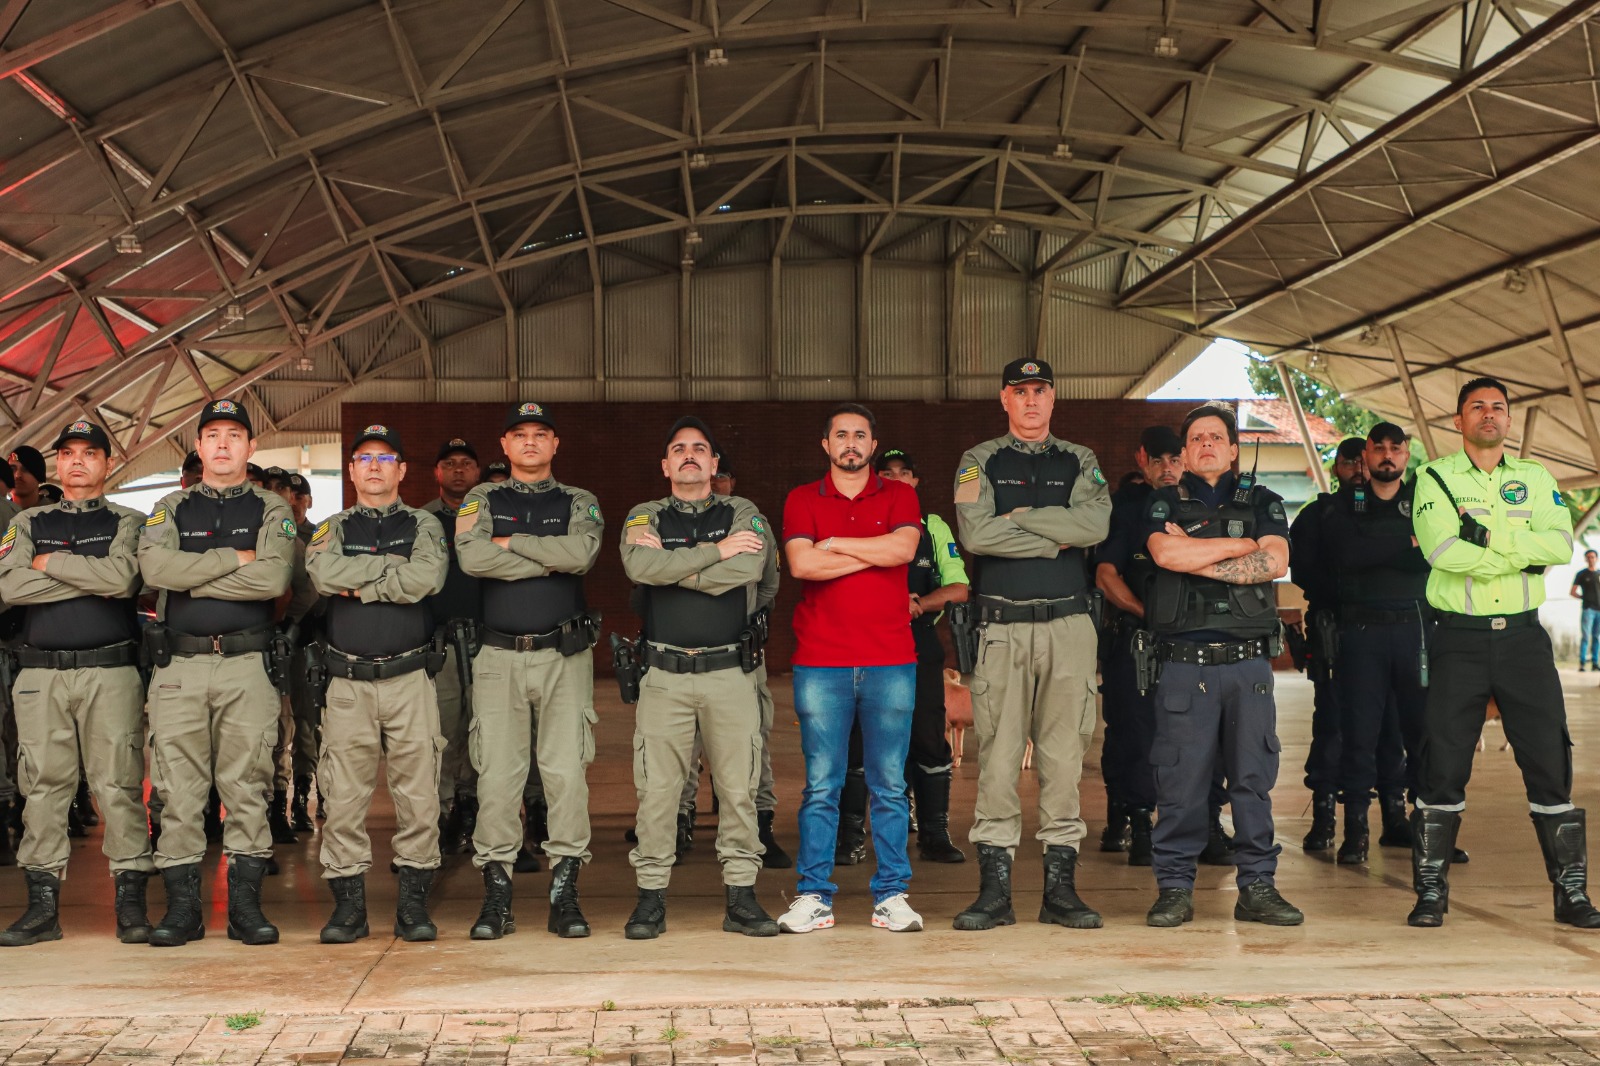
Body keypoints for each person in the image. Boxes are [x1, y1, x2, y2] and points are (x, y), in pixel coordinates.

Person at [1407, 377, 1599, 929]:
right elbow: (1442, 552)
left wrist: (1487, 544)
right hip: (1459, 638)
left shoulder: (1537, 479)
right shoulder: (1434, 479)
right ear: (1458, 419)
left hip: (1522, 639)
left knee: (1549, 761)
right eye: (1477, 407)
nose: (1489, 415)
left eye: (1498, 407)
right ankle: (1429, 893)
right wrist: (1519, 552)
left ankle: (1571, 896)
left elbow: (1559, 546)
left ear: (1509, 420)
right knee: (1442, 763)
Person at [951, 359, 1110, 932]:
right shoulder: (979, 461)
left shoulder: (1080, 460)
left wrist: (1020, 518)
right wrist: (1053, 536)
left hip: (1069, 628)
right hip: (1003, 628)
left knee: (1064, 758)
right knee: (996, 758)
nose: (1032, 401)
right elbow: (977, 533)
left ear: (1053, 397)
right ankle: (994, 893)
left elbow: (1094, 528)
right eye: (1021, 392)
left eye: (1041, 390)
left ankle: (1060, 892)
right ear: (1005, 399)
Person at [136, 398, 295, 947]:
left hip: (247, 665)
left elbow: (274, 581)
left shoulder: (273, 510)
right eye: (212, 435)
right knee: (178, 792)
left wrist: (192, 576)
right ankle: (183, 911)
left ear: (251, 447)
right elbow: (156, 569)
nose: (223, 443)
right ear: (199, 447)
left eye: (234, 434)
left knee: (247, 786)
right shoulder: (168, 507)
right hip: (179, 665)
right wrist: (238, 559)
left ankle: (246, 909)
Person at [1141, 403, 1304, 929]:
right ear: (1185, 453)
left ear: (1233, 450)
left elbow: (1274, 562)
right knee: (1181, 783)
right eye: (1197, 439)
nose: (1207, 444)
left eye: (1217, 437)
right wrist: (1240, 549)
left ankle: (1257, 886)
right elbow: (1167, 556)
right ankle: (1173, 889)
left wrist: (1201, 551)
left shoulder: (1265, 501)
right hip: (1185, 666)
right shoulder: (1160, 501)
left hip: (1247, 669)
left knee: (1253, 779)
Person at [619, 416, 781, 938]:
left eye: (700, 449)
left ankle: (741, 898)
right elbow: (640, 570)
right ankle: (650, 901)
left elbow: (752, 573)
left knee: (738, 788)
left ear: (714, 464)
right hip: (664, 674)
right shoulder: (644, 513)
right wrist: (714, 555)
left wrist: (672, 566)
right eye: (679, 449)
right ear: (665, 464)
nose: (689, 455)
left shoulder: (743, 512)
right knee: (659, 791)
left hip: (729, 672)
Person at [0, 420, 154, 946]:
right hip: (41, 674)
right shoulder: (27, 521)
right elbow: (10, 585)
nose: (78, 462)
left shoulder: (129, 522)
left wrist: (51, 564)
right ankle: (42, 908)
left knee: (118, 785)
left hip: (110, 671)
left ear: (107, 463)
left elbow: (122, 579)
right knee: (42, 787)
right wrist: (86, 575)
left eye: (90, 453)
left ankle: (131, 903)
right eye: (67, 453)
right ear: (58, 463)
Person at [455, 402, 603, 940]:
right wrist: (549, 556)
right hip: (498, 658)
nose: (532, 442)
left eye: (542, 434)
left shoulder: (579, 501)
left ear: (555, 445)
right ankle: (497, 899)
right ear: (506, 445)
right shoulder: (481, 498)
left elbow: (582, 555)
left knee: (565, 775)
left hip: (565, 656)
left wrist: (510, 542)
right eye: (521, 434)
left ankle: (565, 897)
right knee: (498, 776)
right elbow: (473, 560)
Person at [777, 403, 924, 934]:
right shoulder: (801, 498)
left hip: (890, 660)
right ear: (826, 445)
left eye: (860, 435)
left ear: (873, 444)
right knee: (822, 785)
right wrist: (875, 552)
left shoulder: (900, 494)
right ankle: (814, 895)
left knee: (888, 784)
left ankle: (891, 896)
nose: (851, 443)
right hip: (821, 662)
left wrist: (836, 543)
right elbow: (801, 564)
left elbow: (904, 548)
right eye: (841, 435)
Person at [306, 425, 449, 943]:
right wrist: (392, 573)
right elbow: (323, 576)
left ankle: (413, 908)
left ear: (402, 469)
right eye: (363, 458)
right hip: (348, 682)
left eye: (385, 457)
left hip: (411, 678)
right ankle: (349, 911)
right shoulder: (331, 526)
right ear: (350, 470)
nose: (373, 466)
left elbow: (427, 580)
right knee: (342, 797)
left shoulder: (425, 525)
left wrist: (358, 580)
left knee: (419, 797)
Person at [1322, 424, 1432, 864]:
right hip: (1362, 633)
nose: (1387, 455)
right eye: (1378, 448)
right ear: (1365, 453)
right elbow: (1345, 556)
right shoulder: (1342, 505)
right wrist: (1405, 542)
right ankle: (1356, 835)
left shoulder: (1426, 502)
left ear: (1407, 455)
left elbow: (1436, 550)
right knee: (1359, 737)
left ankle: (1429, 835)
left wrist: (1377, 547)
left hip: (1415, 630)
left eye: (1396, 448)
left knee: (1423, 736)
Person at [1095, 426, 1183, 865]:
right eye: (1158, 461)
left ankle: (1201, 821)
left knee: (1196, 734)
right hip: (1138, 641)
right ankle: (1138, 823)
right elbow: (1106, 575)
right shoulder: (1127, 510)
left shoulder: (1198, 507)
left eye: (1174, 460)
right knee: (1135, 734)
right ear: (1142, 460)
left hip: (1190, 642)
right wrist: (1146, 614)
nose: (1167, 469)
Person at [875, 448, 969, 864]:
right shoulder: (862, 521)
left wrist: (921, 602)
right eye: (888, 473)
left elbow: (959, 588)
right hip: (867, 643)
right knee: (864, 741)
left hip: (918, 643)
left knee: (928, 737)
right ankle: (853, 837)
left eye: (905, 473)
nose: (897, 479)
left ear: (915, 482)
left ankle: (934, 833)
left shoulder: (933, 527)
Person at [423, 438, 486, 857]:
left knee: (485, 731)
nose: (459, 470)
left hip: (487, 640)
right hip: (440, 640)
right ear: (437, 473)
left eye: (467, 463)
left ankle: (476, 811)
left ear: (477, 472)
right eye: (450, 463)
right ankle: (442, 816)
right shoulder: (422, 521)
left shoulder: (492, 516)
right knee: (442, 732)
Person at [1572, 550, 1600, 671]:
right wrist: (1583, 598)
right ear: (1585, 559)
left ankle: (1595, 663)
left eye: (1592, 557)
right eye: (1588, 557)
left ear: (1596, 558)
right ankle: (1582, 663)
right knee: (1585, 637)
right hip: (1588, 609)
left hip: (1599, 610)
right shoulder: (1581, 574)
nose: (1590, 559)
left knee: (1597, 637)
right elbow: (1572, 592)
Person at [9, 446, 44, 510]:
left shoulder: (58, 512)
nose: (17, 475)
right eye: (12, 469)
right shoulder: (3, 513)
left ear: (39, 477)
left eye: (26, 469)